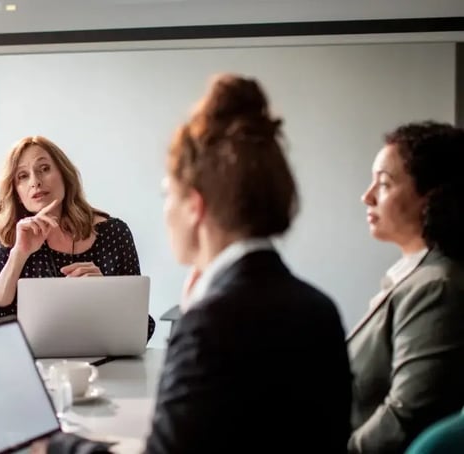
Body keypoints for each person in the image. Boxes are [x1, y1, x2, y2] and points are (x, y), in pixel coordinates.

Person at [44, 74, 353, 453]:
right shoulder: (319, 310)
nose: (165, 210)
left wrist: (55, 446)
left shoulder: (212, 324)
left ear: (194, 206)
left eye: (166, 194)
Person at [348, 121, 464, 453]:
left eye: (383, 184)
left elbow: (406, 415)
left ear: (431, 197)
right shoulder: (414, 277)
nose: (367, 196)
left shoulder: (436, 288)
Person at [0, 135, 155, 339]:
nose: (35, 182)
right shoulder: (9, 239)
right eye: (22, 176)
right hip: (34, 367)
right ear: (16, 192)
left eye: (44, 169)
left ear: (64, 174)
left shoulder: (115, 233)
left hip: (107, 362)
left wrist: (105, 294)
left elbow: (141, 326)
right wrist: (19, 254)